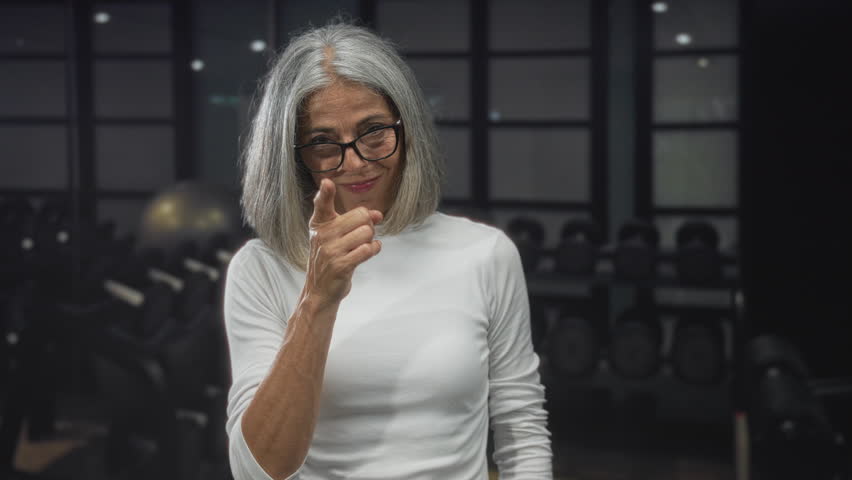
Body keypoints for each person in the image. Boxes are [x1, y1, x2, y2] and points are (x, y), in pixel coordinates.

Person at [225, 20, 552, 480]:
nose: (355, 162)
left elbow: (521, 428)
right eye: (323, 142)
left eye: (374, 131)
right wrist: (318, 297)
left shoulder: (485, 253)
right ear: (291, 155)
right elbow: (256, 471)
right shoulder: (260, 268)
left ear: (408, 127)